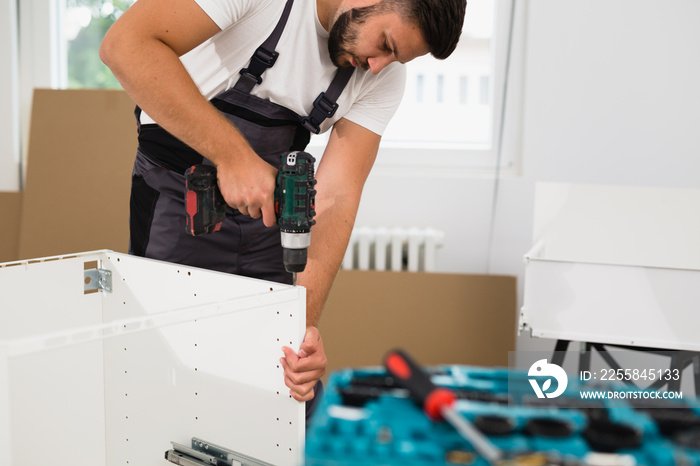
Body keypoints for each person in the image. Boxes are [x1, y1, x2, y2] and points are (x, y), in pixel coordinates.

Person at [100, 0, 466, 420]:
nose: (378, 65)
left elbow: (335, 198)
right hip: (178, 205)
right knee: (169, 384)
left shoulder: (380, 77)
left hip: (270, 223)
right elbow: (125, 45)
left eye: (394, 57)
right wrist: (232, 156)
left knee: (283, 397)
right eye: (385, 44)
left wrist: (301, 331)